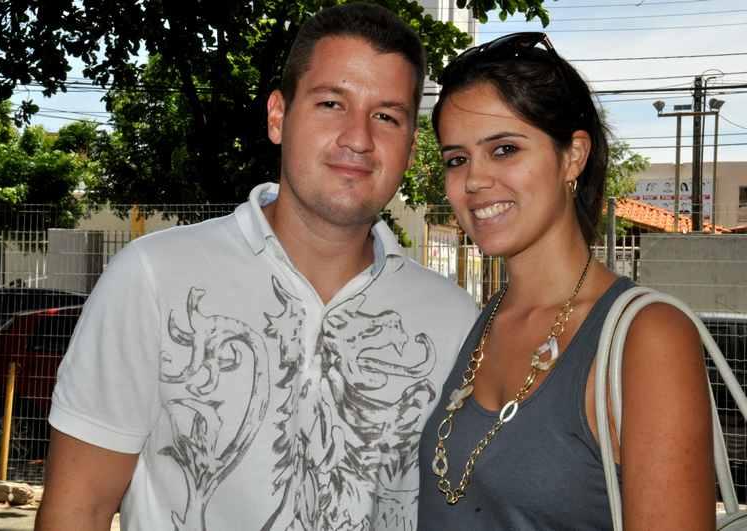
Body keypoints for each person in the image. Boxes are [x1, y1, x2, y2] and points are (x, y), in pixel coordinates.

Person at [35, 3, 479, 531]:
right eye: (331, 103)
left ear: (410, 145)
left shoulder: (455, 321)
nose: (358, 138)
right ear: (277, 116)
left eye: (386, 116)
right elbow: (77, 509)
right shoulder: (153, 278)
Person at [417, 32, 715, 530]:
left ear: (573, 155)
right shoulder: (482, 322)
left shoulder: (647, 339)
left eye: (504, 149)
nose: (474, 180)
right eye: (456, 159)